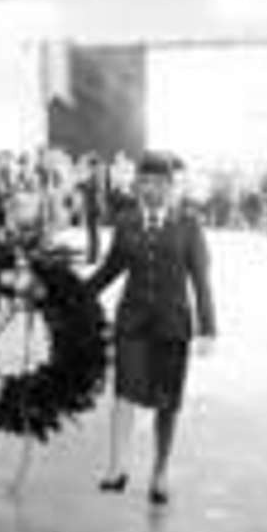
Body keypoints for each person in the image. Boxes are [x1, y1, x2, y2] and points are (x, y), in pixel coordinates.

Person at [88, 151, 217, 507]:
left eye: (159, 183)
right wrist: (73, 296)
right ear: (136, 185)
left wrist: (208, 328)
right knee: (124, 391)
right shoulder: (126, 222)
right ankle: (116, 468)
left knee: (166, 403)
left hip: (173, 326)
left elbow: (201, 281)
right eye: (144, 182)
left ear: (171, 186)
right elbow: (109, 271)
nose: (151, 189)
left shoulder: (189, 225)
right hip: (131, 322)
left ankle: (160, 472)